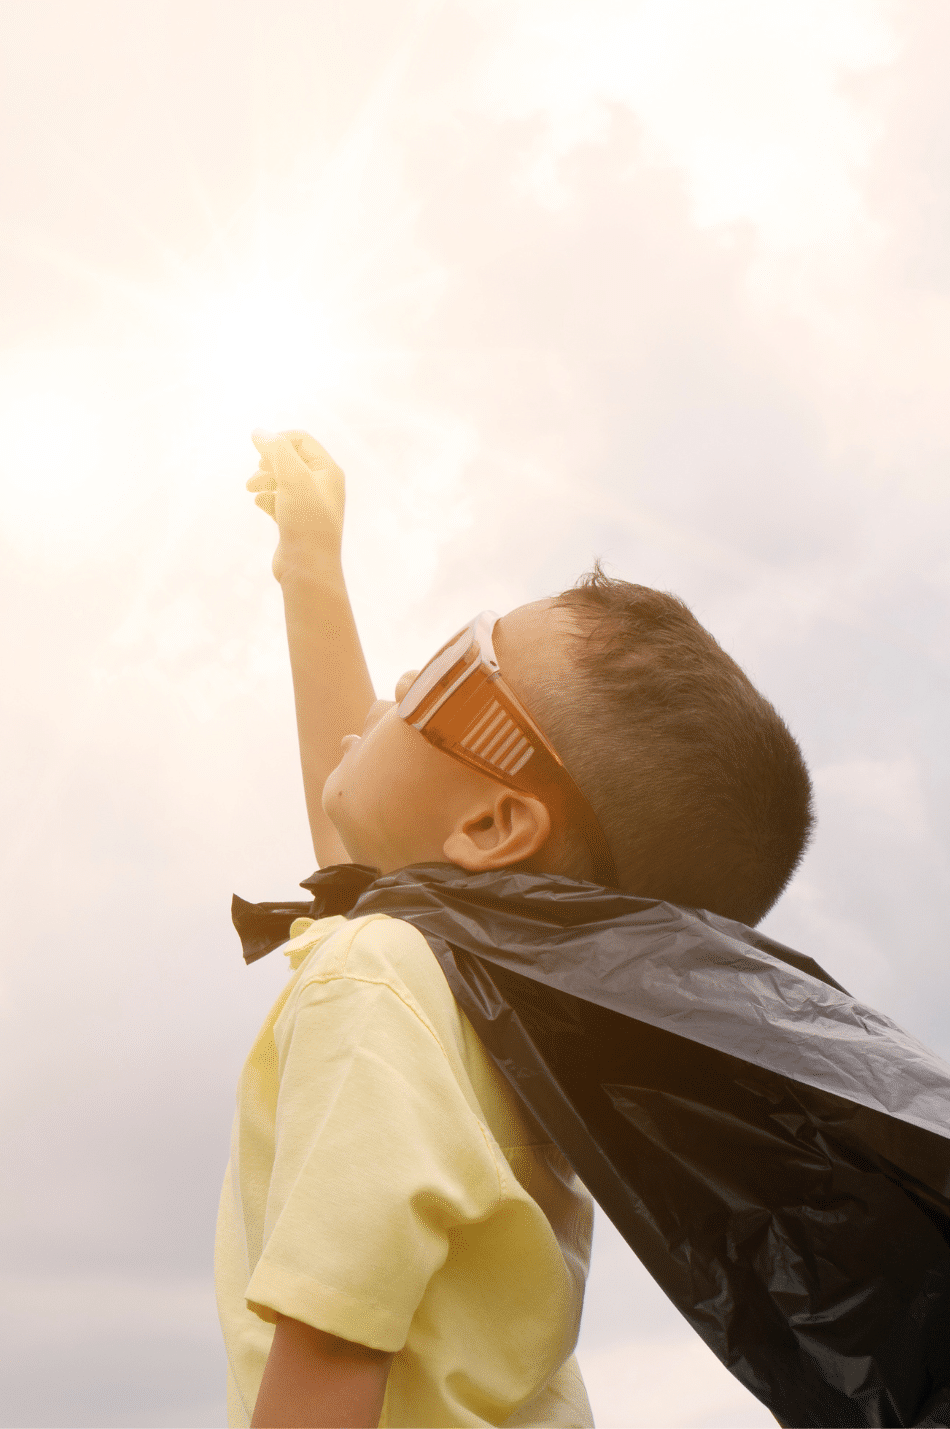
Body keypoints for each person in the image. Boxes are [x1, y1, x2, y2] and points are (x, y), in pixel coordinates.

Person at [215, 429, 814, 1428]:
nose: (404, 675)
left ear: (493, 823)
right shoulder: (498, 996)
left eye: (451, 672)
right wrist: (310, 568)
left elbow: (330, 1347)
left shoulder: (379, 977)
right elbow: (359, 832)